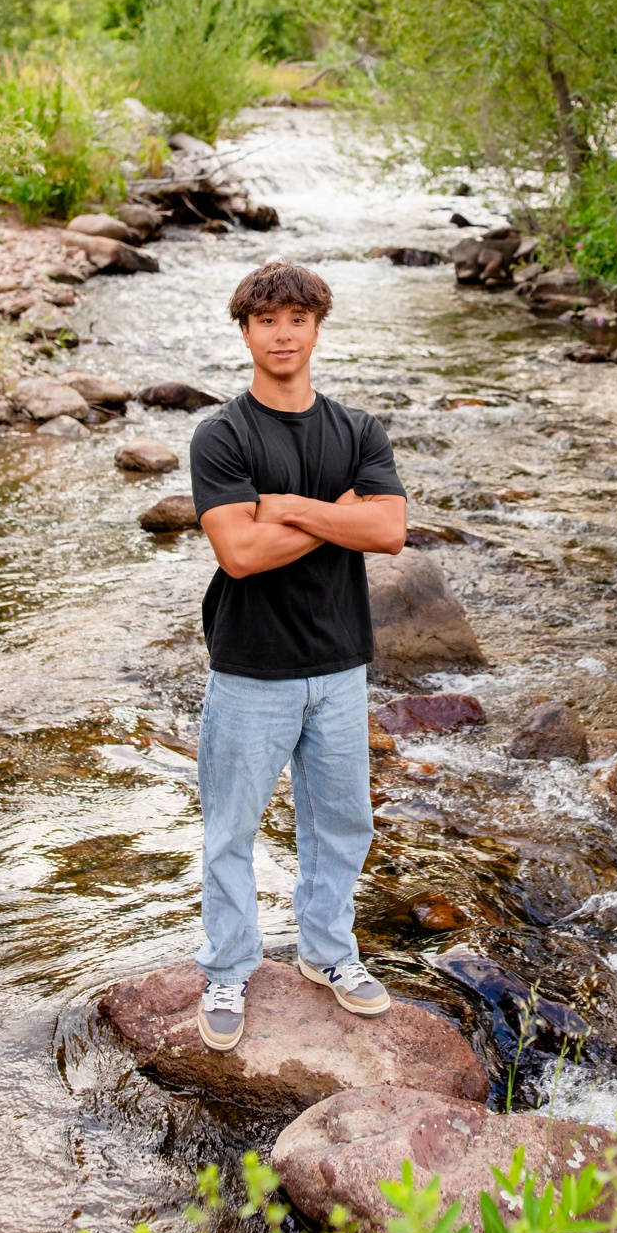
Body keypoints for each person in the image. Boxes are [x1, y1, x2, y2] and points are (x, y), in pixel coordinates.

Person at [187, 260, 409, 1052]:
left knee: (342, 822)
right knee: (232, 831)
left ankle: (327, 954)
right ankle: (226, 967)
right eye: (267, 321)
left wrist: (287, 506)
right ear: (245, 331)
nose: (283, 335)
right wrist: (337, 512)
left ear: (318, 328)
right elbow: (240, 554)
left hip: (341, 661)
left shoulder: (357, 430)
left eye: (297, 320)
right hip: (251, 666)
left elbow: (388, 533)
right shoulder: (222, 434)